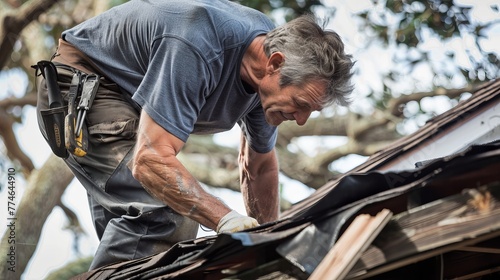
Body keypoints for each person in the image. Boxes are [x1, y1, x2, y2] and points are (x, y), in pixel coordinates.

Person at [35, 0, 354, 270]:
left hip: (130, 105)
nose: (300, 121)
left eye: (310, 112)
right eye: (300, 105)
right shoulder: (198, 44)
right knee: (166, 212)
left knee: (138, 242)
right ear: (274, 64)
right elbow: (150, 160)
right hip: (82, 86)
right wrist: (224, 218)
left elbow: (258, 167)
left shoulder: (268, 80)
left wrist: (269, 241)